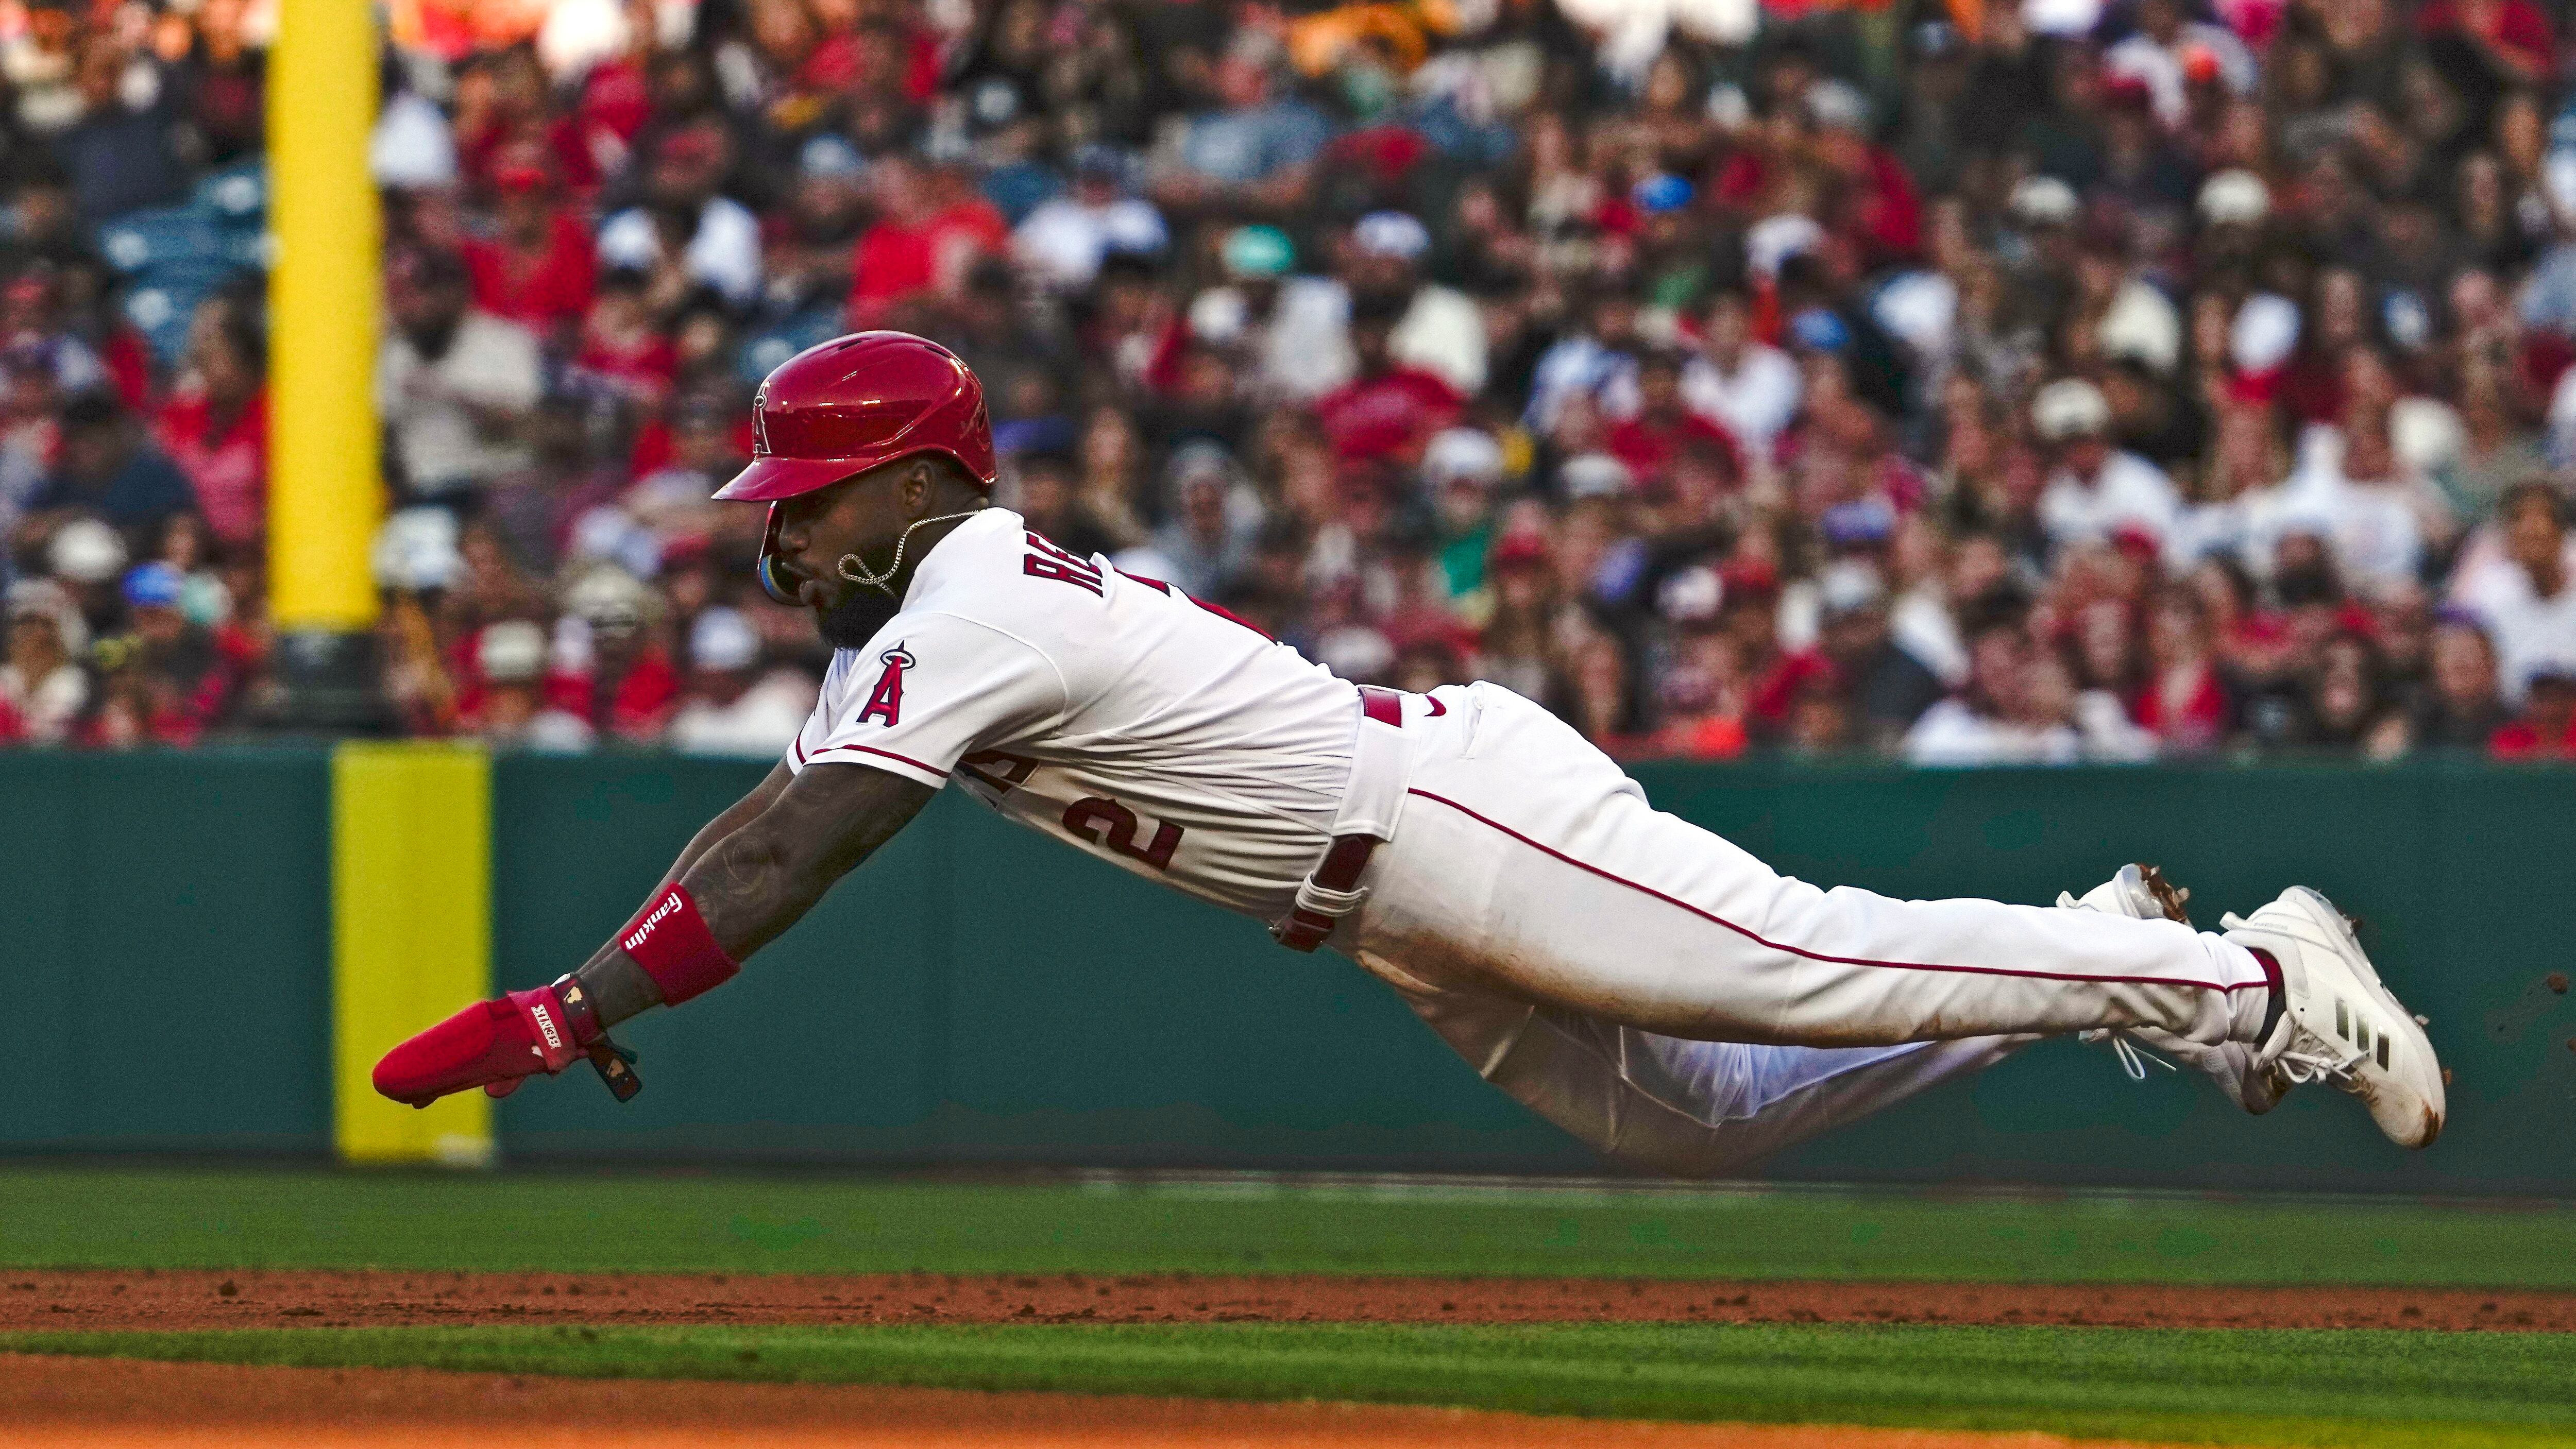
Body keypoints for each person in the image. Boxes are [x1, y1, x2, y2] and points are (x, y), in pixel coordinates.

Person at [372, 332, 2448, 1173]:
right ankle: (2095, 945)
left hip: (1447, 817)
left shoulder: (970, 602)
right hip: (1379, 893)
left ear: (912, 481)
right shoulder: (935, 613)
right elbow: (779, 814)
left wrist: (577, 1006)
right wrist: (593, 984)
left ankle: (2255, 978)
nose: (774, 529)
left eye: (805, 497)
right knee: (1708, 1115)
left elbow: (797, 840)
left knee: (1812, 954)